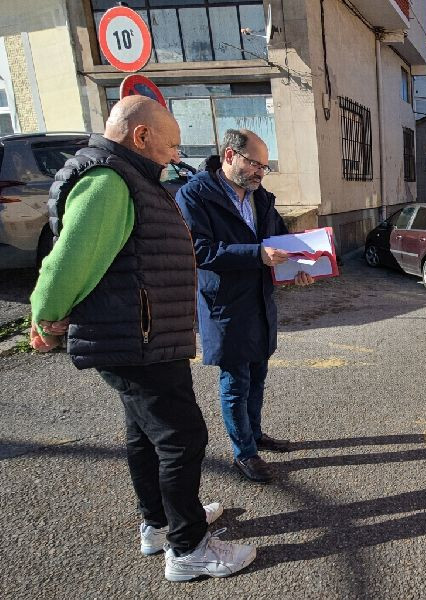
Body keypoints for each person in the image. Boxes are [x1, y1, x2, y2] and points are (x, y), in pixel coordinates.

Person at [29, 96, 256, 582]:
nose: (176, 155)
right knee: (182, 438)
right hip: (138, 337)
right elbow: (69, 259)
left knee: (146, 434)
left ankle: (160, 523)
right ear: (141, 136)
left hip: (144, 335)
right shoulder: (109, 181)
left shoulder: (130, 177)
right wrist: (46, 317)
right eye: (171, 145)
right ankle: (189, 548)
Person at [175, 129, 313, 485]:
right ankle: (244, 453)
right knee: (236, 382)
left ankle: (255, 435)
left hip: (260, 301)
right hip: (225, 304)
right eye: (255, 164)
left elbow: (280, 241)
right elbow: (199, 251)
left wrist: (296, 269)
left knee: (258, 377)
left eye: (265, 167)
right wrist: (257, 255)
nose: (260, 173)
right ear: (229, 155)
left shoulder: (260, 197)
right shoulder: (195, 195)